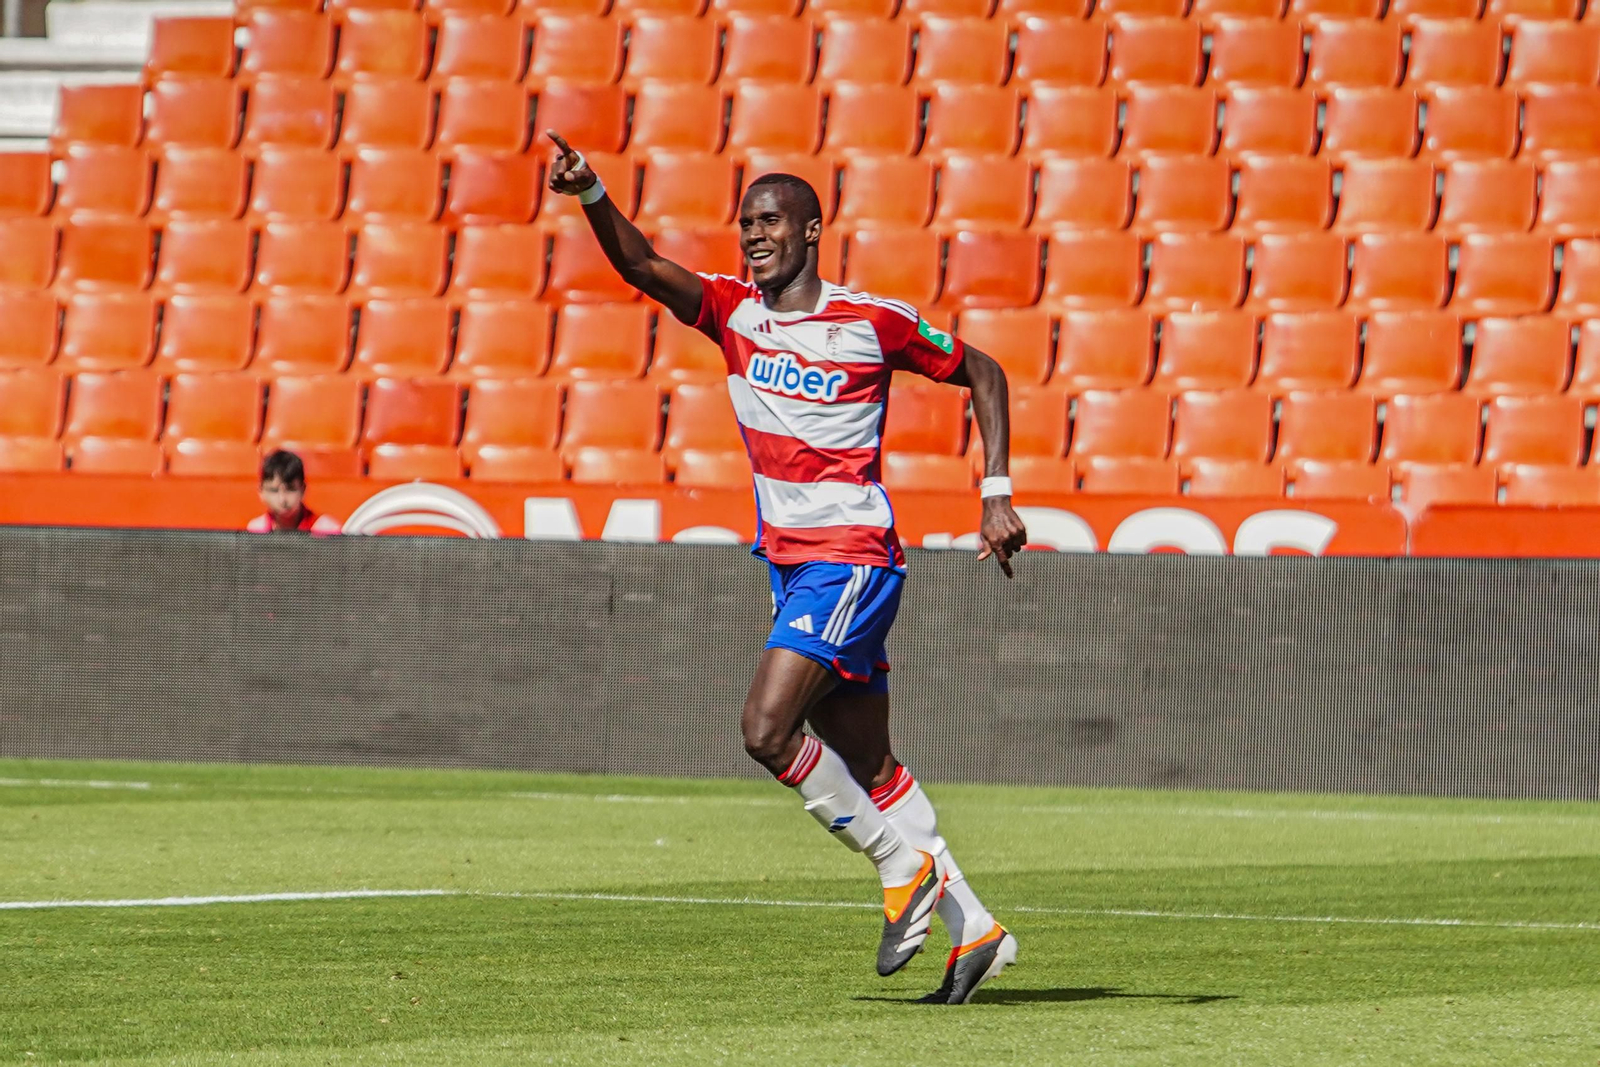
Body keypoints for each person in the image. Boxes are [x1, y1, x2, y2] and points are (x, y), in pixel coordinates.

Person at [545, 131, 1029, 1005]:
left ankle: (898, 866)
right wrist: (590, 195)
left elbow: (985, 372)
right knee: (871, 762)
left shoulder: (869, 321)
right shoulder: (735, 313)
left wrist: (995, 491)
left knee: (766, 729)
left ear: (811, 230)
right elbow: (645, 266)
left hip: (850, 560)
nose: (753, 236)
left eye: (770, 221)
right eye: (745, 224)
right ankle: (977, 930)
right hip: (793, 564)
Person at [247, 450, 341, 535]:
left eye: (290, 489)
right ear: (261, 492)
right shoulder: (255, 530)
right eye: (274, 490)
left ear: (303, 489)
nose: (282, 499)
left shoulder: (327, 531)